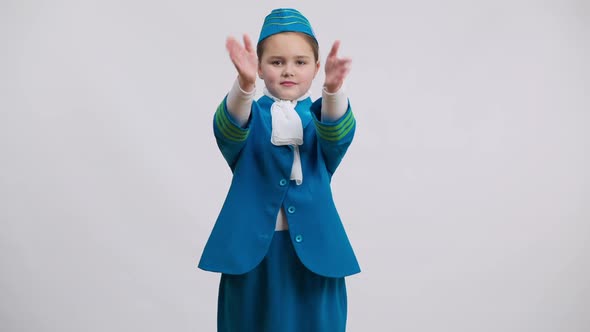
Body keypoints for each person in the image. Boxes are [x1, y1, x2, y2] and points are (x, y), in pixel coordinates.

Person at [198, 8, 360, 332]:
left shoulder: (320, 121)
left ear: (316, 68)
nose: (288, 70)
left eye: (300, 62)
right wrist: (244, 87)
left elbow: (339, 134)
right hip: (253, 257)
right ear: (259, 67)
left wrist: (333, 91)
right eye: (276, 62)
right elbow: (227, 129)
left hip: (316, 257)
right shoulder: (250, 119)